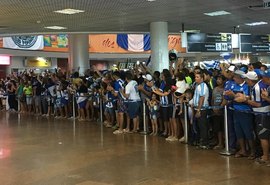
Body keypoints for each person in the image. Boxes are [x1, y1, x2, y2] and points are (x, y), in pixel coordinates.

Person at [193, 72, 210, 149]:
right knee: (200, 126)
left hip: (202, 109)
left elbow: (202, 98)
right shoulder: (198, 86)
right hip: (198, 108)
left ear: (202, 78)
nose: (196, 78)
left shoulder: (203, 86)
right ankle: (201, 141)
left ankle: (204, 143)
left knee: (203, 126)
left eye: (197, 77)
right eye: (195, 77)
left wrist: (198, 110)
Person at [211, 75, 225, 149]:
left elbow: (224, 99)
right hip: (215, 111)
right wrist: (213, 108)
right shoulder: (215, 89)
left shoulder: (225, 89)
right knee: (218, 128)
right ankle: (219, 143)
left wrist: (220, 108)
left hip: (222, 112)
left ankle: (224, 142)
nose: (218, 80)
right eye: (217, 79)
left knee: (223, 128)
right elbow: (212, 99)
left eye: (220, 79)